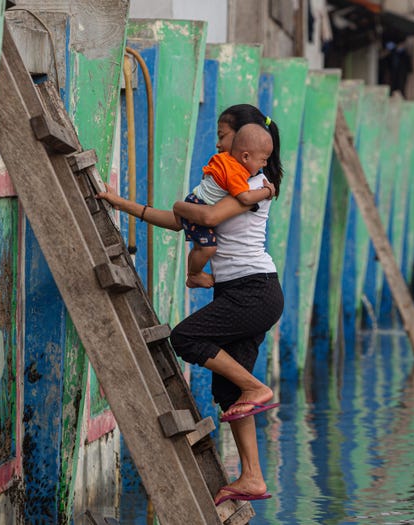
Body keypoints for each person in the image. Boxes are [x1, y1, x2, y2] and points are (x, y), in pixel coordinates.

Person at [96, 103, 284, 506]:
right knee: (228, 393)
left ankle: (258, 387)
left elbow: (208, 217)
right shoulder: (229, 178)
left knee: (186, 337)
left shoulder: (255, 183)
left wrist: (183, 206)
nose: (218, 142)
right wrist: (121, 204)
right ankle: (251, 477)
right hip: (238, 291)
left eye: (223, 134)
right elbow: (178, 221)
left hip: (255, 290)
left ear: (245, 140)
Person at [183, 123, 276, 289]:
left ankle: (193, 274)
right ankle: (194, 275)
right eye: (263, 160)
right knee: (208, 248)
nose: (265, 165)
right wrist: (267, 192)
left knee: (201, 245)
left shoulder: (225, 161)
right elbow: (246, 198)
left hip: (196, 201)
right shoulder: (236, 173)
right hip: (199, 205)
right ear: (246, 156)